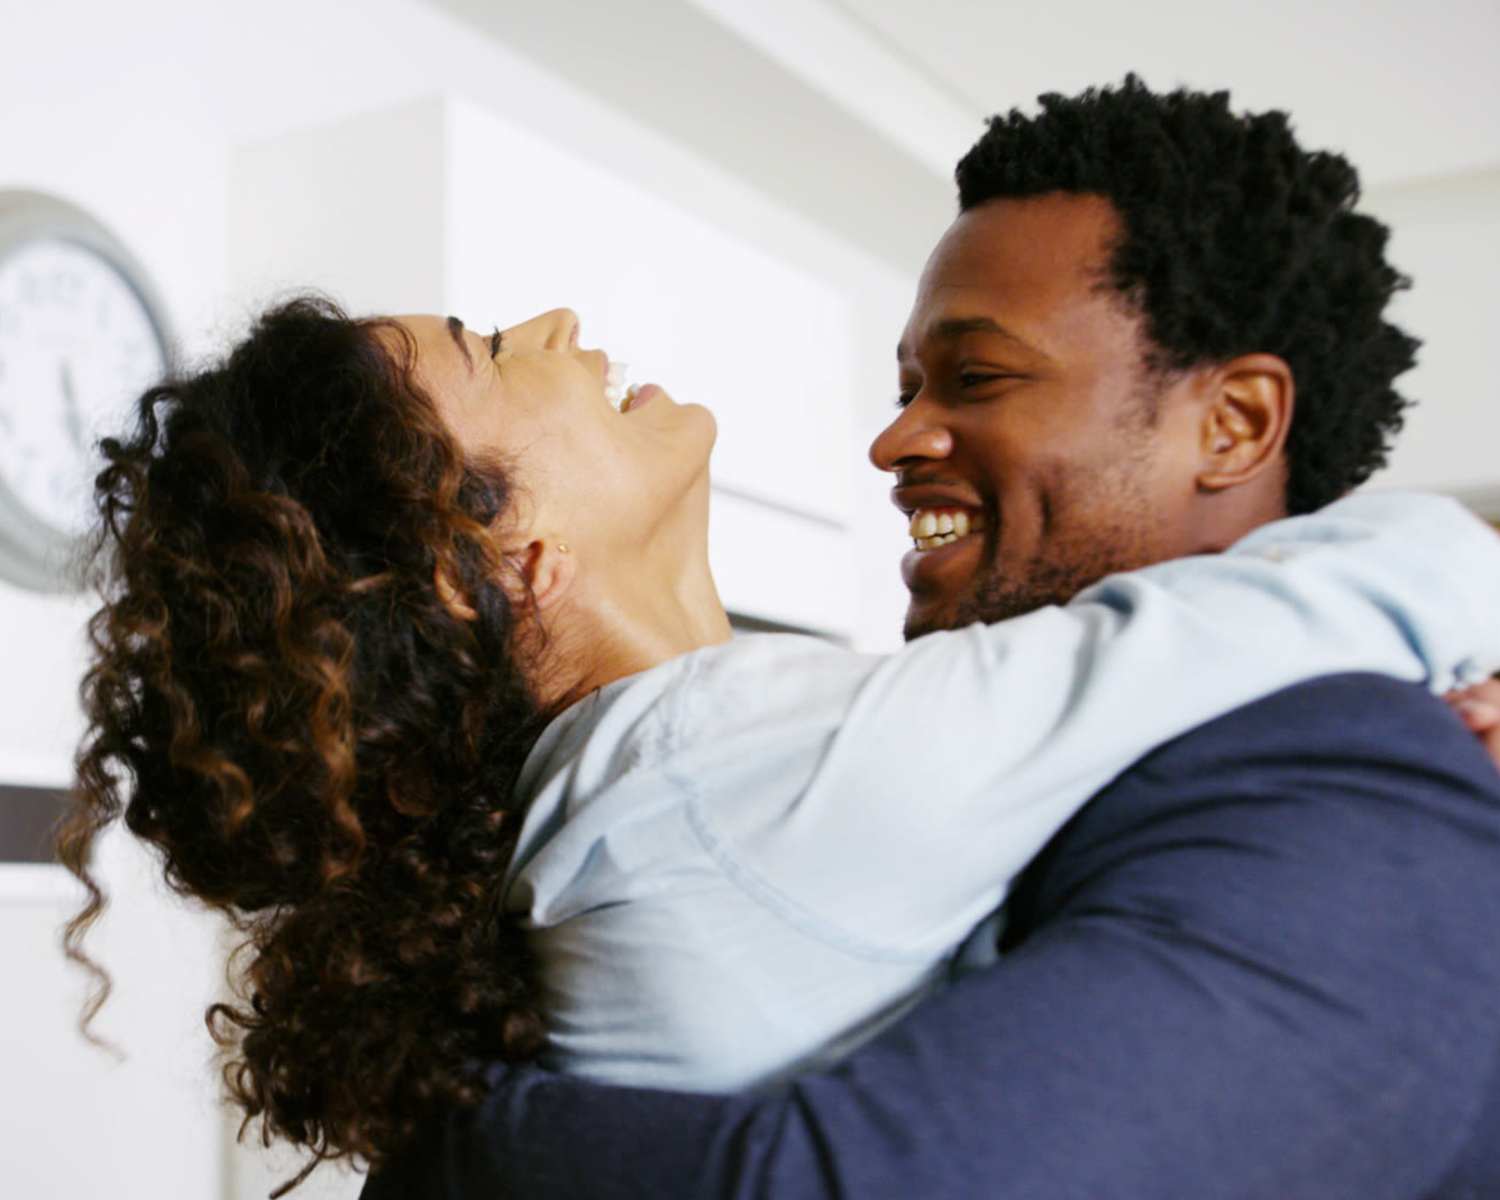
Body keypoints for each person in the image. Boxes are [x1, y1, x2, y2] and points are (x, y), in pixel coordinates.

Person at [356, 79, 1500, 1198]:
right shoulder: (915, 786)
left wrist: (444, 1143)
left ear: (1234, 423)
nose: (895, 441)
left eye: (979, 377)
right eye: (909, 387)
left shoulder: (1352, 787)